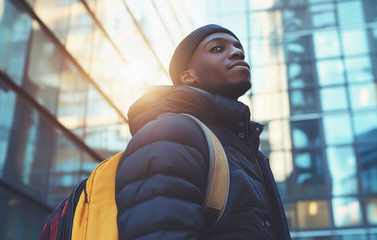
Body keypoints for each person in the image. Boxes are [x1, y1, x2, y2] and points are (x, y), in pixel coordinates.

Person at [115, 24, 291, 239]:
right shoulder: (171, 132)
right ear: (187, 76)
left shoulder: (249, 153)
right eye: (217, 48)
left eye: (239, 49)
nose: (238, 53)